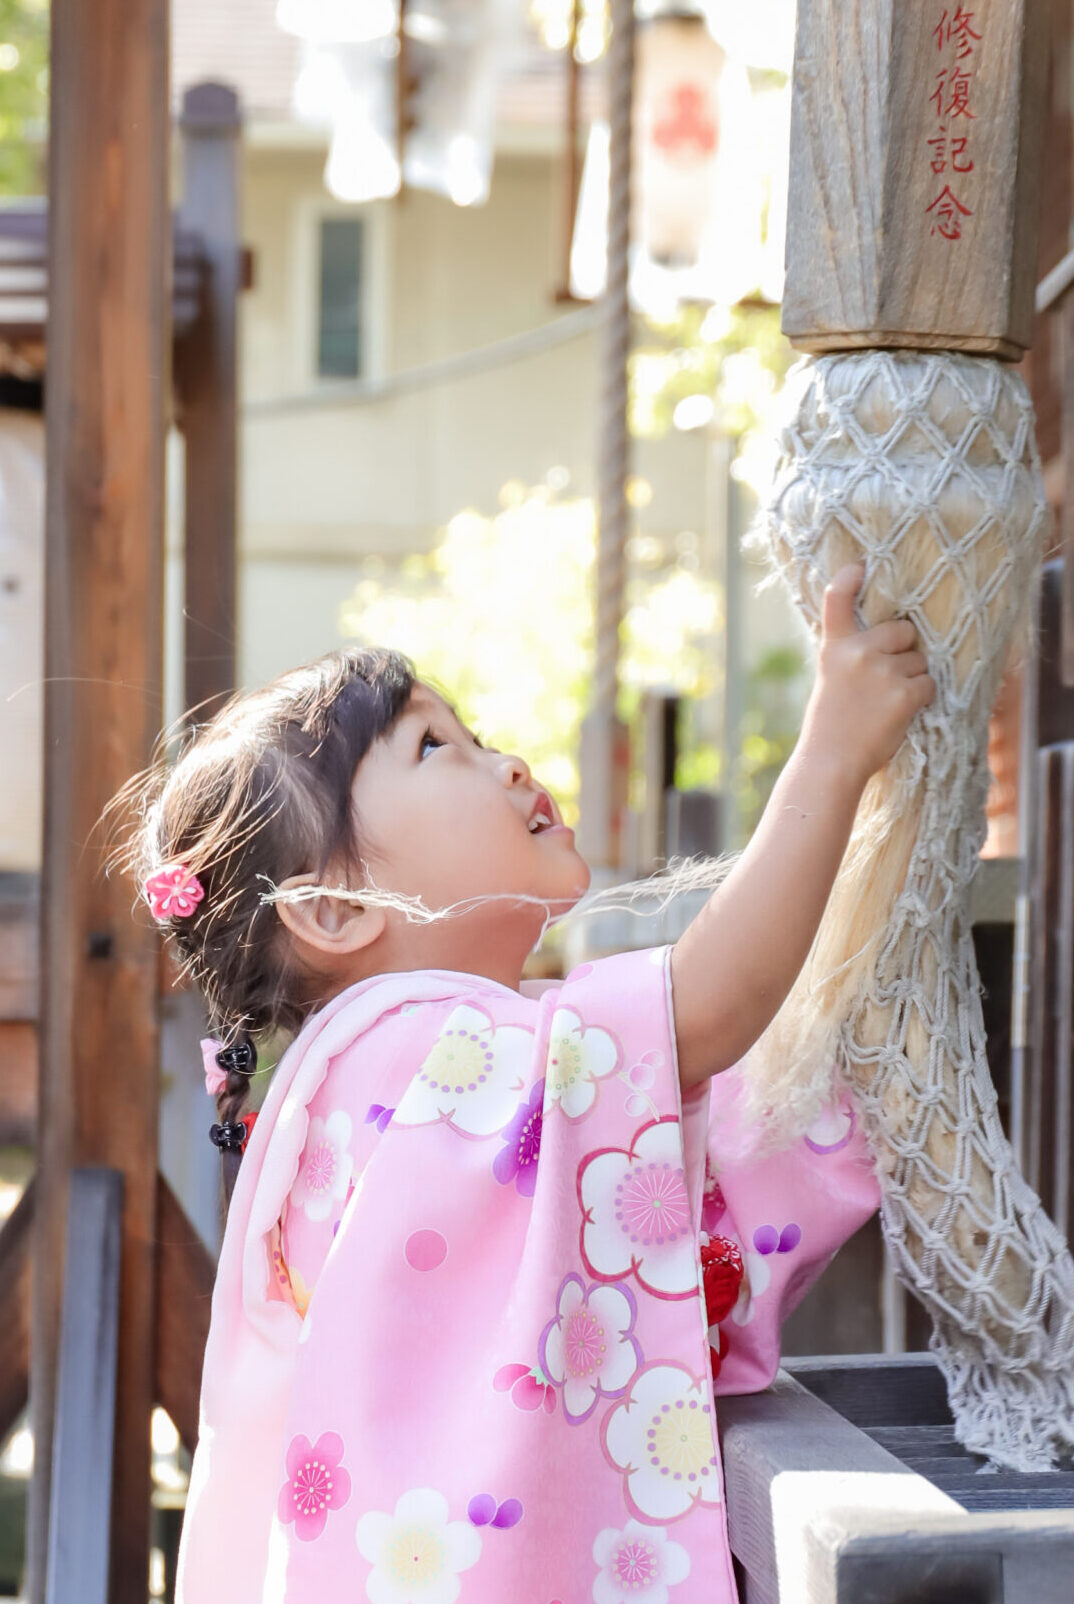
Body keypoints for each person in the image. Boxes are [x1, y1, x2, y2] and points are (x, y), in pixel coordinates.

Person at [126, 562, 932, 1604]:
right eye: (432, 747)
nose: (503, 762)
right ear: (332, 910)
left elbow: (672, 1182)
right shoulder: (402, 1051)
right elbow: (701, 1014)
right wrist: (829, 754)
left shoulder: (407, 1075)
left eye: (473, 732)